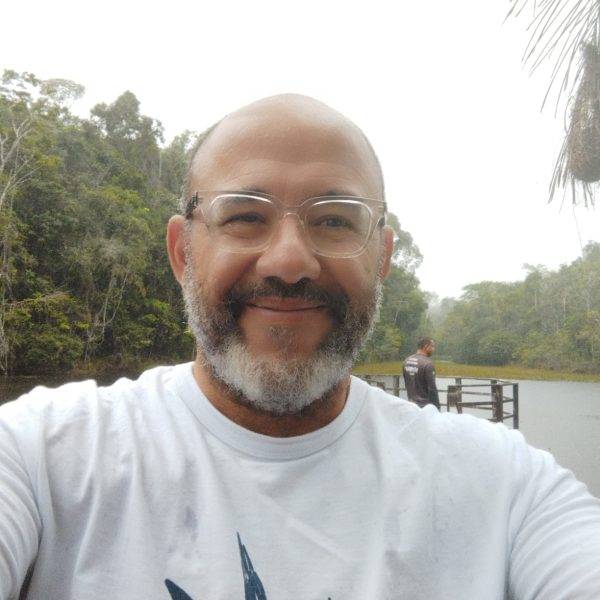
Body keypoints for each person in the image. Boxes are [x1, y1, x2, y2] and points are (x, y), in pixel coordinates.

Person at [1, 95, 599, 600]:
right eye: (244, 217)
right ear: (183, 252)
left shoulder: (507, 489)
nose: (288, 262)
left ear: (382, 256)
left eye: (335, 220)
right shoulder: (42, 457)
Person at [402, 337, 440, 409]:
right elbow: (432, 389)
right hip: (425, 407)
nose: (433, 349)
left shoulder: (406, 361)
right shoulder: (428, 363)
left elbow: (407, 383)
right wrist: (437, 407)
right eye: (432, 346)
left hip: (411, 405)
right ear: (426, 346)